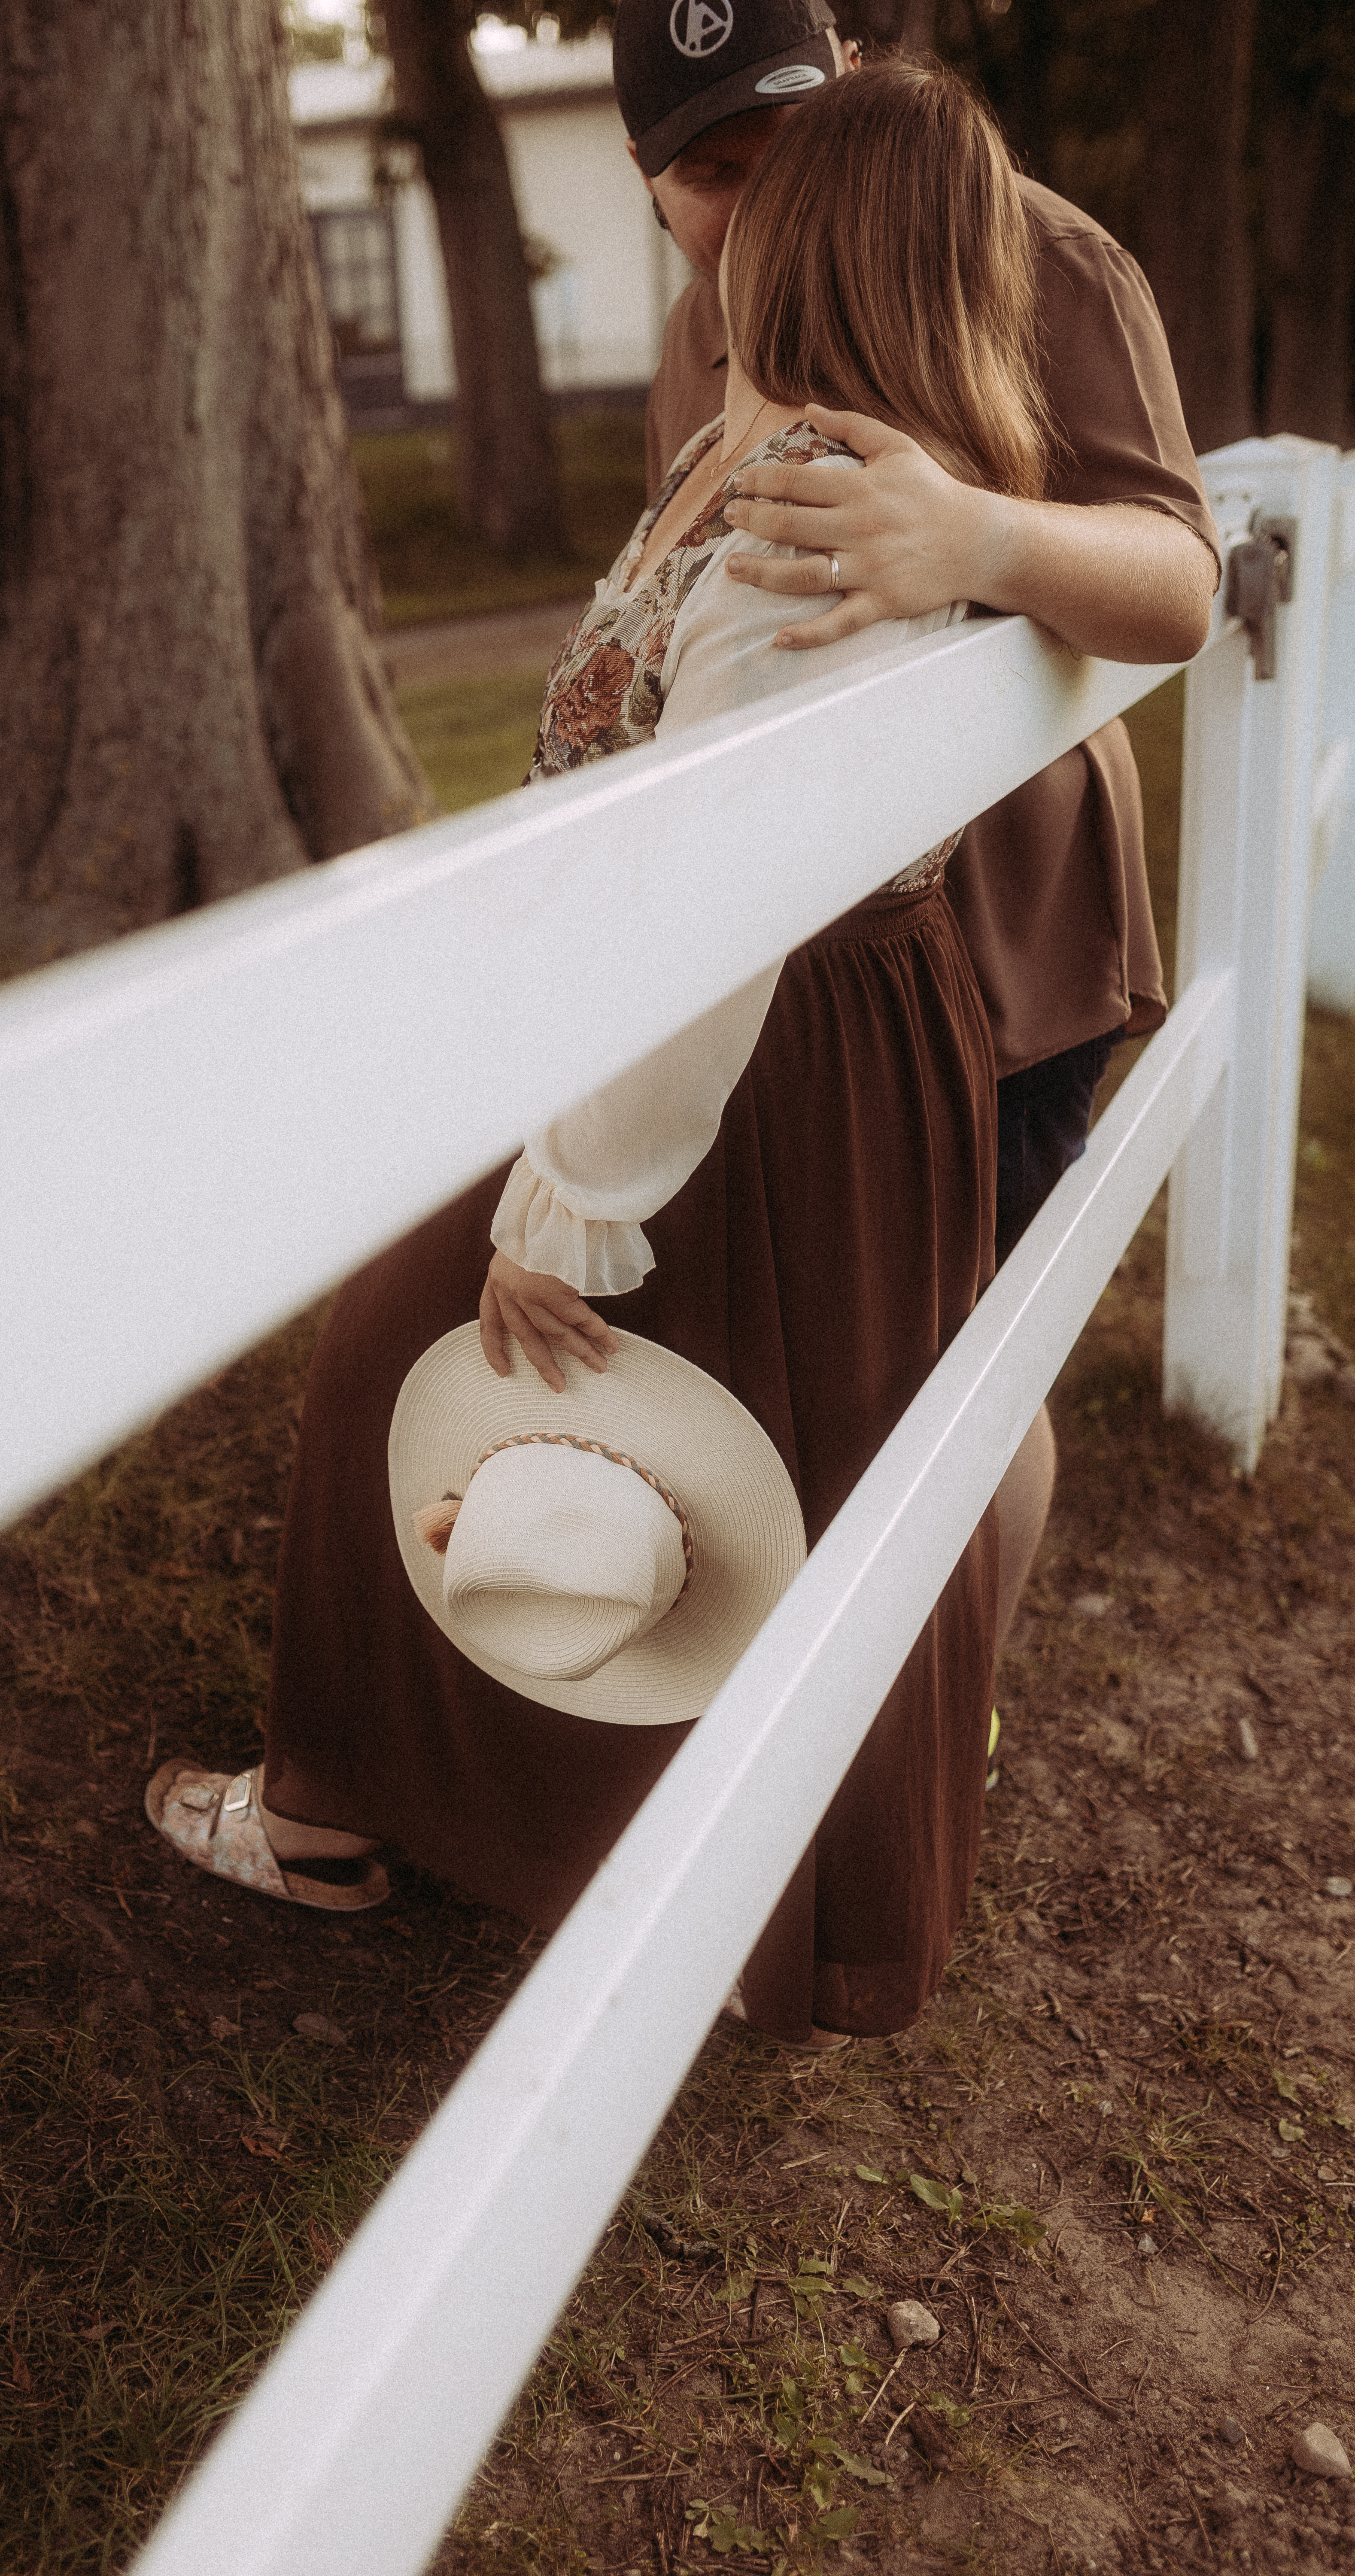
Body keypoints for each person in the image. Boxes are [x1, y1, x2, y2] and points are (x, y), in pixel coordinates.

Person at [145, 62, 1050, 2051]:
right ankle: (719, 1891)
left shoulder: (816, 508)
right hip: (830, 1027)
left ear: (820, 245)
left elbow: (716, 897)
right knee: (792, 1438)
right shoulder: (888, 460)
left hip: (732, 1042)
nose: (724, 222)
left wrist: (568, 1198)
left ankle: (339, 1814)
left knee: (416, 1361)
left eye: (765, 190)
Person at [614, 0, 1220, 1653]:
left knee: (966, 1367)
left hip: (1003, 946)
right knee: (809, 1365)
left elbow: (1180, 580)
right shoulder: (698, 326)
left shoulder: (1047, 255)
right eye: (712, 174)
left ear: (848, 81)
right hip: (790, 977)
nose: (762, 202)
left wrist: (976, 540)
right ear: (647, 179)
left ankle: (954, 1727)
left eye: (790, 142)